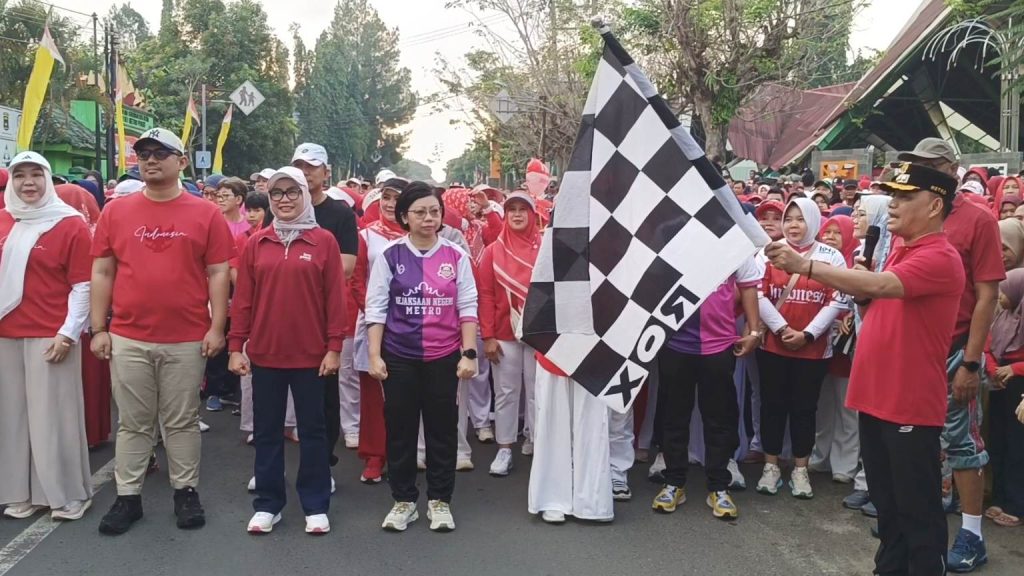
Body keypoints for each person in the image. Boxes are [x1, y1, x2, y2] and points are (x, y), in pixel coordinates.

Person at [766, 161, 963, 576]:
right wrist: (860, 292)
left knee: (917, 514)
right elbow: (879, 304)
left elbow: (882, 286)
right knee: (888, 511)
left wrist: (806, 266)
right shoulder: (900, 251)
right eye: (892, 196)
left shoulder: (939, 256)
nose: (892, 205)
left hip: (908, 405)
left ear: (935, 206)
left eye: (905, 197)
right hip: (876, 398)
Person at [90, 128, 235, 535]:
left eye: (160, 153)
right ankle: (128, 496)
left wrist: (217, 327)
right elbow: (102, 271)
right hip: (128, 335)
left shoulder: (205, 213)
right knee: (133, 422)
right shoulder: (116, 212)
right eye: (144, 153)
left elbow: (218, 272)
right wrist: (99, 328)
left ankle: (185, 491)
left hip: (186, 337)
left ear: (182, 161)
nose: (150, 160)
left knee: (181, 420)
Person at [898, 138, 1004, 572]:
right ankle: (922, 522)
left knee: (963, 443)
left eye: (931, 165)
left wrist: (971, 362)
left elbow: (987, 295)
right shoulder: (913, 209)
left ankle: (972, 535)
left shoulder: (978, 219)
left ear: (951, 168)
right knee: (918, 440)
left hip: (955, 348)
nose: (922, 172)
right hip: (915, 348)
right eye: (917, 165)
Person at [229, 167, 345, 535]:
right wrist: (236, 347)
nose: (284, 199)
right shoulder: (257, 243)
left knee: (313, 431)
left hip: (311, 356)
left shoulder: (323, 241)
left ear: (305, 195)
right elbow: (243, 301)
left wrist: (334, 347)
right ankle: (268, 504)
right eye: (277, 193)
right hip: (266, 354)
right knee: (267, 432)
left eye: (292, 191)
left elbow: (336, 300)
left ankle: (315, 504)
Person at [366, 182, 479, 533]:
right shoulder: (390, 255)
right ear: (404, 216)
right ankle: (403, 501)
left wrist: (469, 354)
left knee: (441, 430)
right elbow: (376, 307)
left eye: (434, 211)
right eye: (420, 212)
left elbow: (467, 306)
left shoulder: (456, 256)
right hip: (399, 356)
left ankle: (440, 501)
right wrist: (374, 354)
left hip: (443, 356)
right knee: (400, 429)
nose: (429, 218)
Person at [0, 152, 93, 521]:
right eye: (20, 175)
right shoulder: (5, 220)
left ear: (48, 178)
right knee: (12, 418)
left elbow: (83, 285)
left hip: (50, 336)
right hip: (6, 333)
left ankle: (66, 493)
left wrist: (68, 333)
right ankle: (19, 492)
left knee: (53, 419)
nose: (28, 183)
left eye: (36, 174)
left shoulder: (69, 224)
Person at [651, 253, 762, 519]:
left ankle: (719, 486)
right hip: (675, 343)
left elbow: (748, 287)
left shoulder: (737, 242)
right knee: (674, 416)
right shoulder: (674, 239)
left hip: (719, 344)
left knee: (720, 418)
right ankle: (674, 482)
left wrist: (754, 330)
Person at [755, 198, 848, 499]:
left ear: (813, 220)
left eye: (800, 219)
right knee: (772, 405)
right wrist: (782, 329)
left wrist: (808, 334)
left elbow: (837, 299)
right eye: (788, 219)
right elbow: (758, 294)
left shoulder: (831, 257)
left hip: (814, 350)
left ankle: (800, 469)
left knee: (805, 408)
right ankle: (770, 466)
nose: (793, 225)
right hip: (773, 346)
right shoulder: (768, 252)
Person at [291, 143, 358, 481]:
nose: (305, 172)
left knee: (324, 394)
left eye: (312, 166)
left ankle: (322, 463)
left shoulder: (340, 214)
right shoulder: (281, 209)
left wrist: (296, 267)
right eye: (300, 166)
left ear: (326, 172)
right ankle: (274, 467)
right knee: (279, 393)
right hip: (284, 315)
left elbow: (345, 267)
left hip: (324, 317)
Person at [476, 192, 542, 476]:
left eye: (522, 209)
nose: (516, 214)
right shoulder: (493, 251)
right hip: (504, 334)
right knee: (505, 392)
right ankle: (504, 448)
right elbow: (485, 295)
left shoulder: (546, 250)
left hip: (538, 333)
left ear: (533, 215)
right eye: (511, 209)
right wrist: (488, 336)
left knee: (538, 392)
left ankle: (538, 443)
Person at [350, 177, 409, 484]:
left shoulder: (419, 236)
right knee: (374, 393)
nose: (389, 204)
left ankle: (407, 453)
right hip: (373, 323)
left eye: (397, 198)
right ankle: (374, 454)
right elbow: (357, 279)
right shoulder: (366, 235)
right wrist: (377, 316)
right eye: (386, 197)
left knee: (410, 392)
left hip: (412, 324)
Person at [840, 194, 893, 515]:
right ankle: (866, 482)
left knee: (885, 418)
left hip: (889, 346)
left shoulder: (893, 256)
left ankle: (883, 490)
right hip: (865, 341)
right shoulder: (863, 252)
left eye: (862, 214)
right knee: (866, 416)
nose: (855, 219)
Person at [809, 215, 861, 484]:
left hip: (846, 350)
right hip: (819, 345)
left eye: (836, 233)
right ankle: (820, 456)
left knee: (847, 408)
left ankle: (845, 463)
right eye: (826, 232)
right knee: (823, 406)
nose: (829, 237)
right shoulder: (816, 264)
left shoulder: (858, 266)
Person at [983, 269, 1024, 529]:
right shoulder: (1002, 316)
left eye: (1004, 291)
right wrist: (993, 369)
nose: (999, 296)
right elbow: (986, 345)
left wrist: (1015, 369)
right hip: (999, 383)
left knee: (1017, 446)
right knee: (997, 440)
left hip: (1019, 387)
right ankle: (999, 496)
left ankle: (1016, 505)